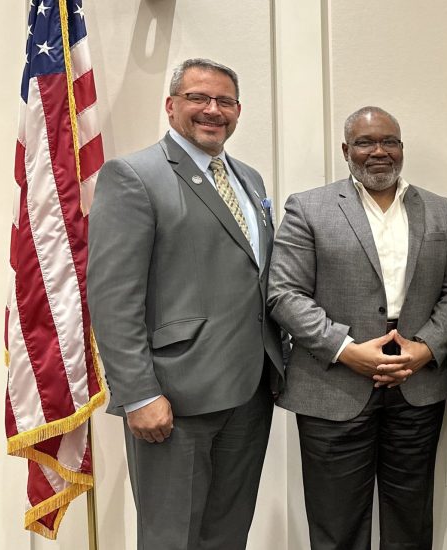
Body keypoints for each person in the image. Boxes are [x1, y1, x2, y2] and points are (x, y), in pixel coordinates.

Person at [87, 58, 284, 549]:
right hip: (174, 397)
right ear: (171, 105)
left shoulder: (251, 180)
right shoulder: (134, 175)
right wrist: (138, 393)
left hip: (251, 391)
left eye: (225, 101)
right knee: (171, 537)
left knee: (227, 534)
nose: (212, 110)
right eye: (199, 98)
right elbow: (113, 298)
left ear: (239, 111)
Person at [268, 106, 447, 549]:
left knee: (410, 525)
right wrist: (346, 350)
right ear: (346, 150)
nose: (379, 151)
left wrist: (425, 348)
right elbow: (284, 294)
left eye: (389, 142)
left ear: (401, 148)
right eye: (365, 142)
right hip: (333, 384)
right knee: (336, 526)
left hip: (417, 385)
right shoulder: (308, 207)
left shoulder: (439, 210)